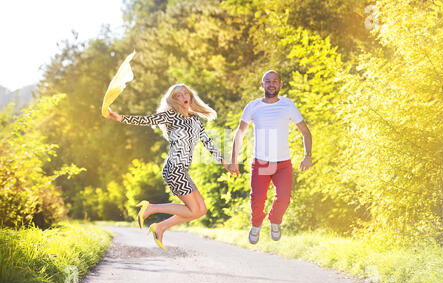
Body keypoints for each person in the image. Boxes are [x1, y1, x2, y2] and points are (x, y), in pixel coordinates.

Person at [106, 84, 233, 249]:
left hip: (183, 171)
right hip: (174, 169)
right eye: (179, 95)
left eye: (185, 93)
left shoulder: (196, 120)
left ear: (190, 96)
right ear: (174, 100)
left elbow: (208, 143)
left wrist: (225, 163)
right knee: (194, 210)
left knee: (201, 210)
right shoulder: (171, 116)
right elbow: (147, 120)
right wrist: (120, 117)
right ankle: (151, 208)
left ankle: (160, 227)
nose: (183, 96)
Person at [229, 70, 312, 244]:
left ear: (280, 84)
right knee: (257, 199)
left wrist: (307, 156)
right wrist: (234, 160)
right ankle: (256, 225)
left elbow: (305, 131)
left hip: (283, 163)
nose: (271, 84)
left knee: (284, 198)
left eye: (275, 81)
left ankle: (275, 221)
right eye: (267, 81)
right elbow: (240, 133)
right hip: (260, 162)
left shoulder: (288, 105)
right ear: (262, 85)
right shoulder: (253, 106)